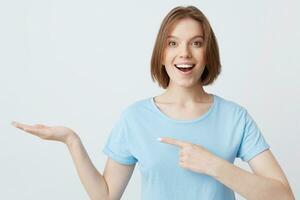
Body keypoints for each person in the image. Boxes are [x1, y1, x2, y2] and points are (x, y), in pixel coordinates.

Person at [11, 5, 295, 200]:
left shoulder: (235, 117)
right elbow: (107, 195)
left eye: (196, 43)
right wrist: (71, 141)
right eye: (173, 43)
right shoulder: (135, 118)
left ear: (208, 53)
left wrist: (214, 166)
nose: (184, 53)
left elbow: (283, 196)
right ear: (161, 54)